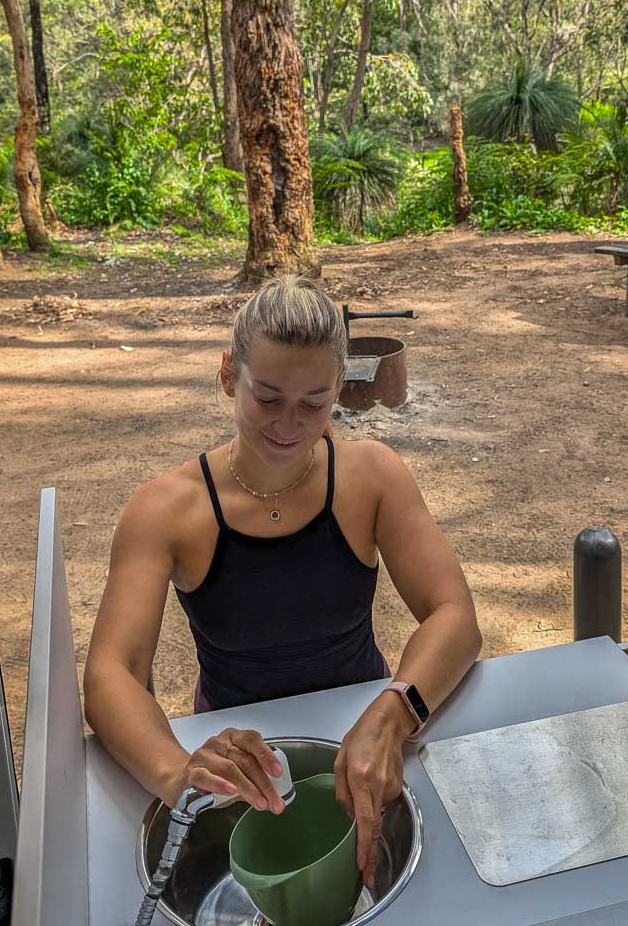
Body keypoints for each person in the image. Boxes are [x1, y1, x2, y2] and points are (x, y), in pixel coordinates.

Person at [84, 276, 481, 888]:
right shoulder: (165, 510)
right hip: (242, 757)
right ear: (227, 376)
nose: (289, 426)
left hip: (366, 730)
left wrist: (394, 711)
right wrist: (175, 771)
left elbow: (453, 613)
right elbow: (112, 672)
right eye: (266, 398)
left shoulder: (371, 475)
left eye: (314, 402)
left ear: (338, 392)